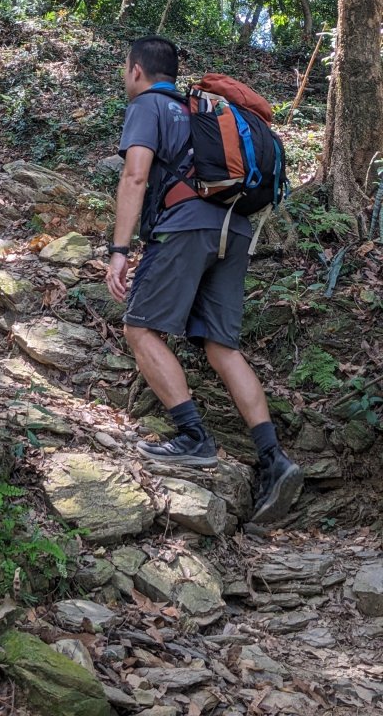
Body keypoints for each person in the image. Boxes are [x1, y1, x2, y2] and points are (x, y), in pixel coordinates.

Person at [105, 35, 302, 524]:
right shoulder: (200, 110)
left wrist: (119, 251)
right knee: (221, 346)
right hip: (235, 229)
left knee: (140, 328)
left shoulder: (150, 105)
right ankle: (273, 458)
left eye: (123, 69)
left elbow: (134, 177)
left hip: (186, 227)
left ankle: (193, 436)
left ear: (136, 70)